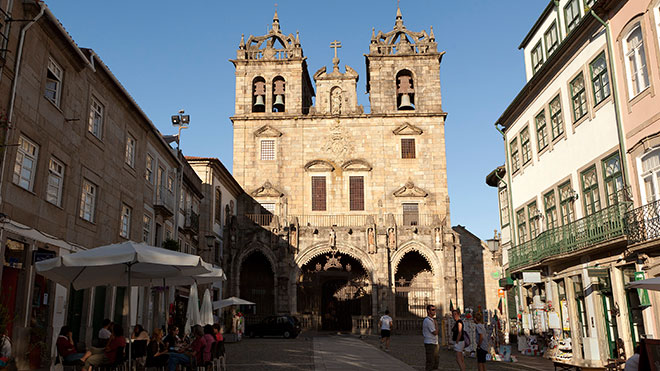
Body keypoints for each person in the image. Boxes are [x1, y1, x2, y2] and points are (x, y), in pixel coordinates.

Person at [422, 304, 439, 371]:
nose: (434, 311)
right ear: (428, 311)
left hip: (434, 342)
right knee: (430, 361)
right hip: (430, 343)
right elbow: (435, 332)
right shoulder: (427, 321)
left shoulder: (432, 320)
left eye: (435, 310)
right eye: (432, 310)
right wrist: (436, 324)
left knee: (436, 360)